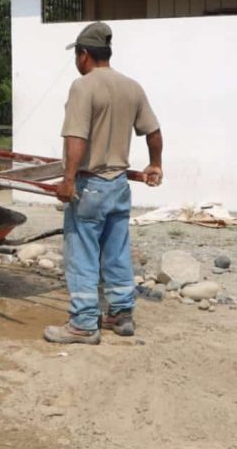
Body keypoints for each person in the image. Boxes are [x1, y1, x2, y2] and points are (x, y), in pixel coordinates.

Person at [44, 22, 164, 345]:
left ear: (84, 54)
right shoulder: (132, 87)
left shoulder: (83, 87)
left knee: (82, 252)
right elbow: (153, 131)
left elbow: (76, 137)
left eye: (77, 55)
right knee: (117, 250)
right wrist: (155, 164)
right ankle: (121, 314)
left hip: (91, 185)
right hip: (118, 185)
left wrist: (68, 180)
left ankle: (83, 323)